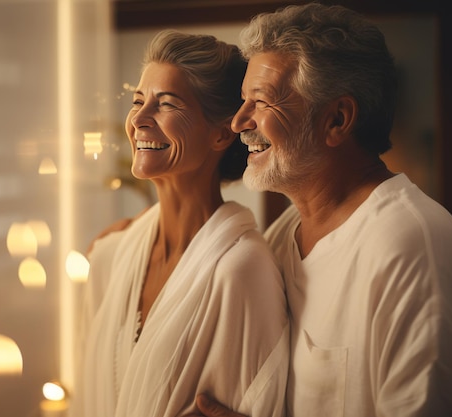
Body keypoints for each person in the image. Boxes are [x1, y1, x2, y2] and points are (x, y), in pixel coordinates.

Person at [189, 3, 452, 417]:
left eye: (261, 101)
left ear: (337, 120)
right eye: (243, 101)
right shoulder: (279, 238)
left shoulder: (415, 247)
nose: (239, 122)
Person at [71, 29, 289, 417]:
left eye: (166, 104)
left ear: (222, 132)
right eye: (138, 101)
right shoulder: (111, 256)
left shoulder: (242, 271)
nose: (138, 118)